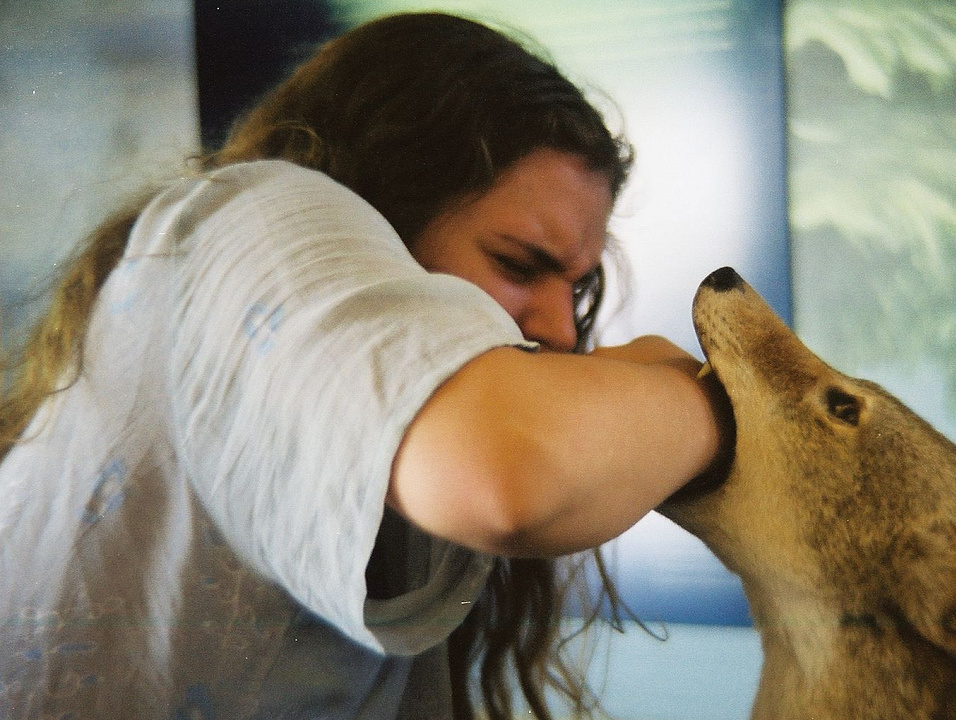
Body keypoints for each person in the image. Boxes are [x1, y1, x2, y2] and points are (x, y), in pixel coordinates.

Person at [0, 12, 731, 720]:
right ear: (379, 204)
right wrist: (708, 393)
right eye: (517, 263)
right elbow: (507, 471)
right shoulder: (261, 217)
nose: (563, 332)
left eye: (575, 288)